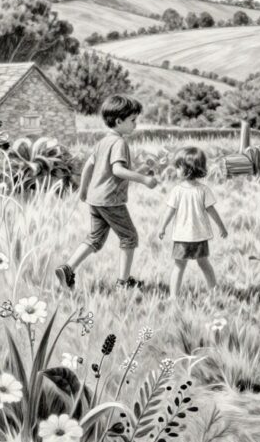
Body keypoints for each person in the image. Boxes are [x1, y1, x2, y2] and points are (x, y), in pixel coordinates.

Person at [56, 94, 159, 290]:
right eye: (132, 120)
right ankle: (123, 283)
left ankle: (68, 269)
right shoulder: (119, 143)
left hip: (95, 199)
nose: (135, 124)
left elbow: (88, 166)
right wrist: (144, 179)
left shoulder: (102, 142)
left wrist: (83, 191)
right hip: (111, 200)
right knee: (129, 237)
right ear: (119, 121)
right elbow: (117, 170)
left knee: (95, 238)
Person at [158, 146, 227, 300]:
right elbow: (171, 211)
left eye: (178, 167)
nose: (176, 170)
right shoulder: (195, 190)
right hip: (194, 236)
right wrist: (162, 227)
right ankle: (177, 296)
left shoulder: (188, 190)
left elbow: (211, 210)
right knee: (201, 264)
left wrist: (221, 226)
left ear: (188, 169)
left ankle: (178, 296)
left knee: (183, 265)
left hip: (186, 236)